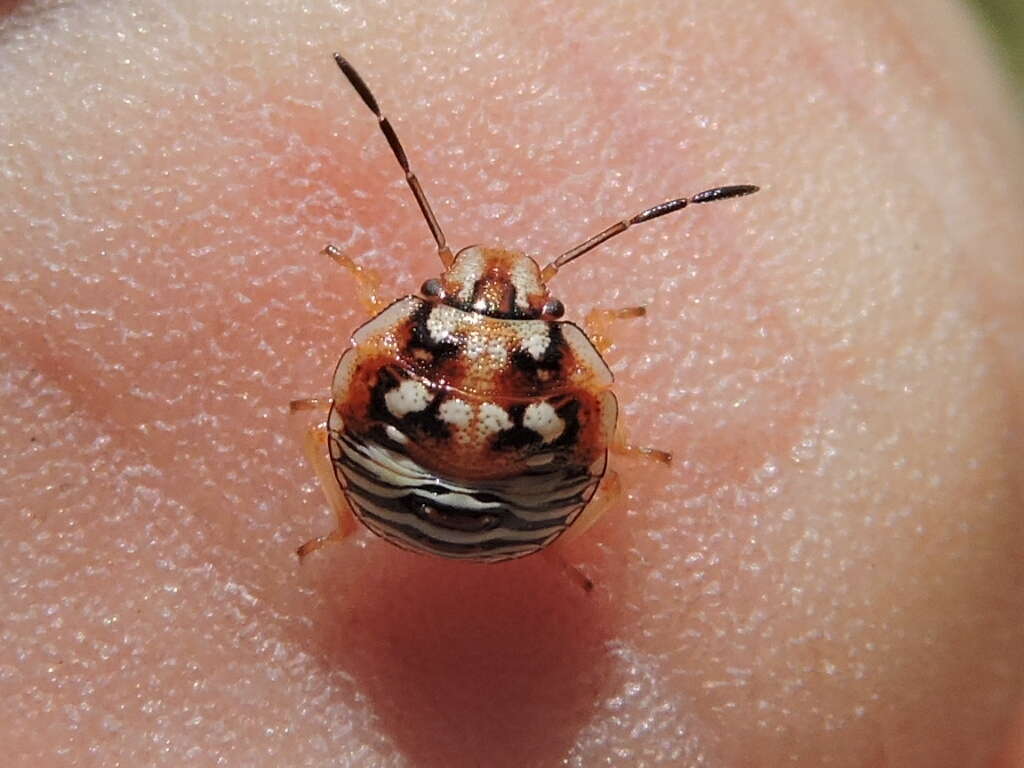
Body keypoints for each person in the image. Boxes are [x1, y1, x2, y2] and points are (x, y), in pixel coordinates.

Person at [1, 1, 1022, 765]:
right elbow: (601, 434)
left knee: (329, 421)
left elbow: (344, 395)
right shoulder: (573, 372)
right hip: (525, 526)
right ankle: (445, 529)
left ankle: (348, 523)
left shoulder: (386, 348)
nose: (500, 282)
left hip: (416, 505)